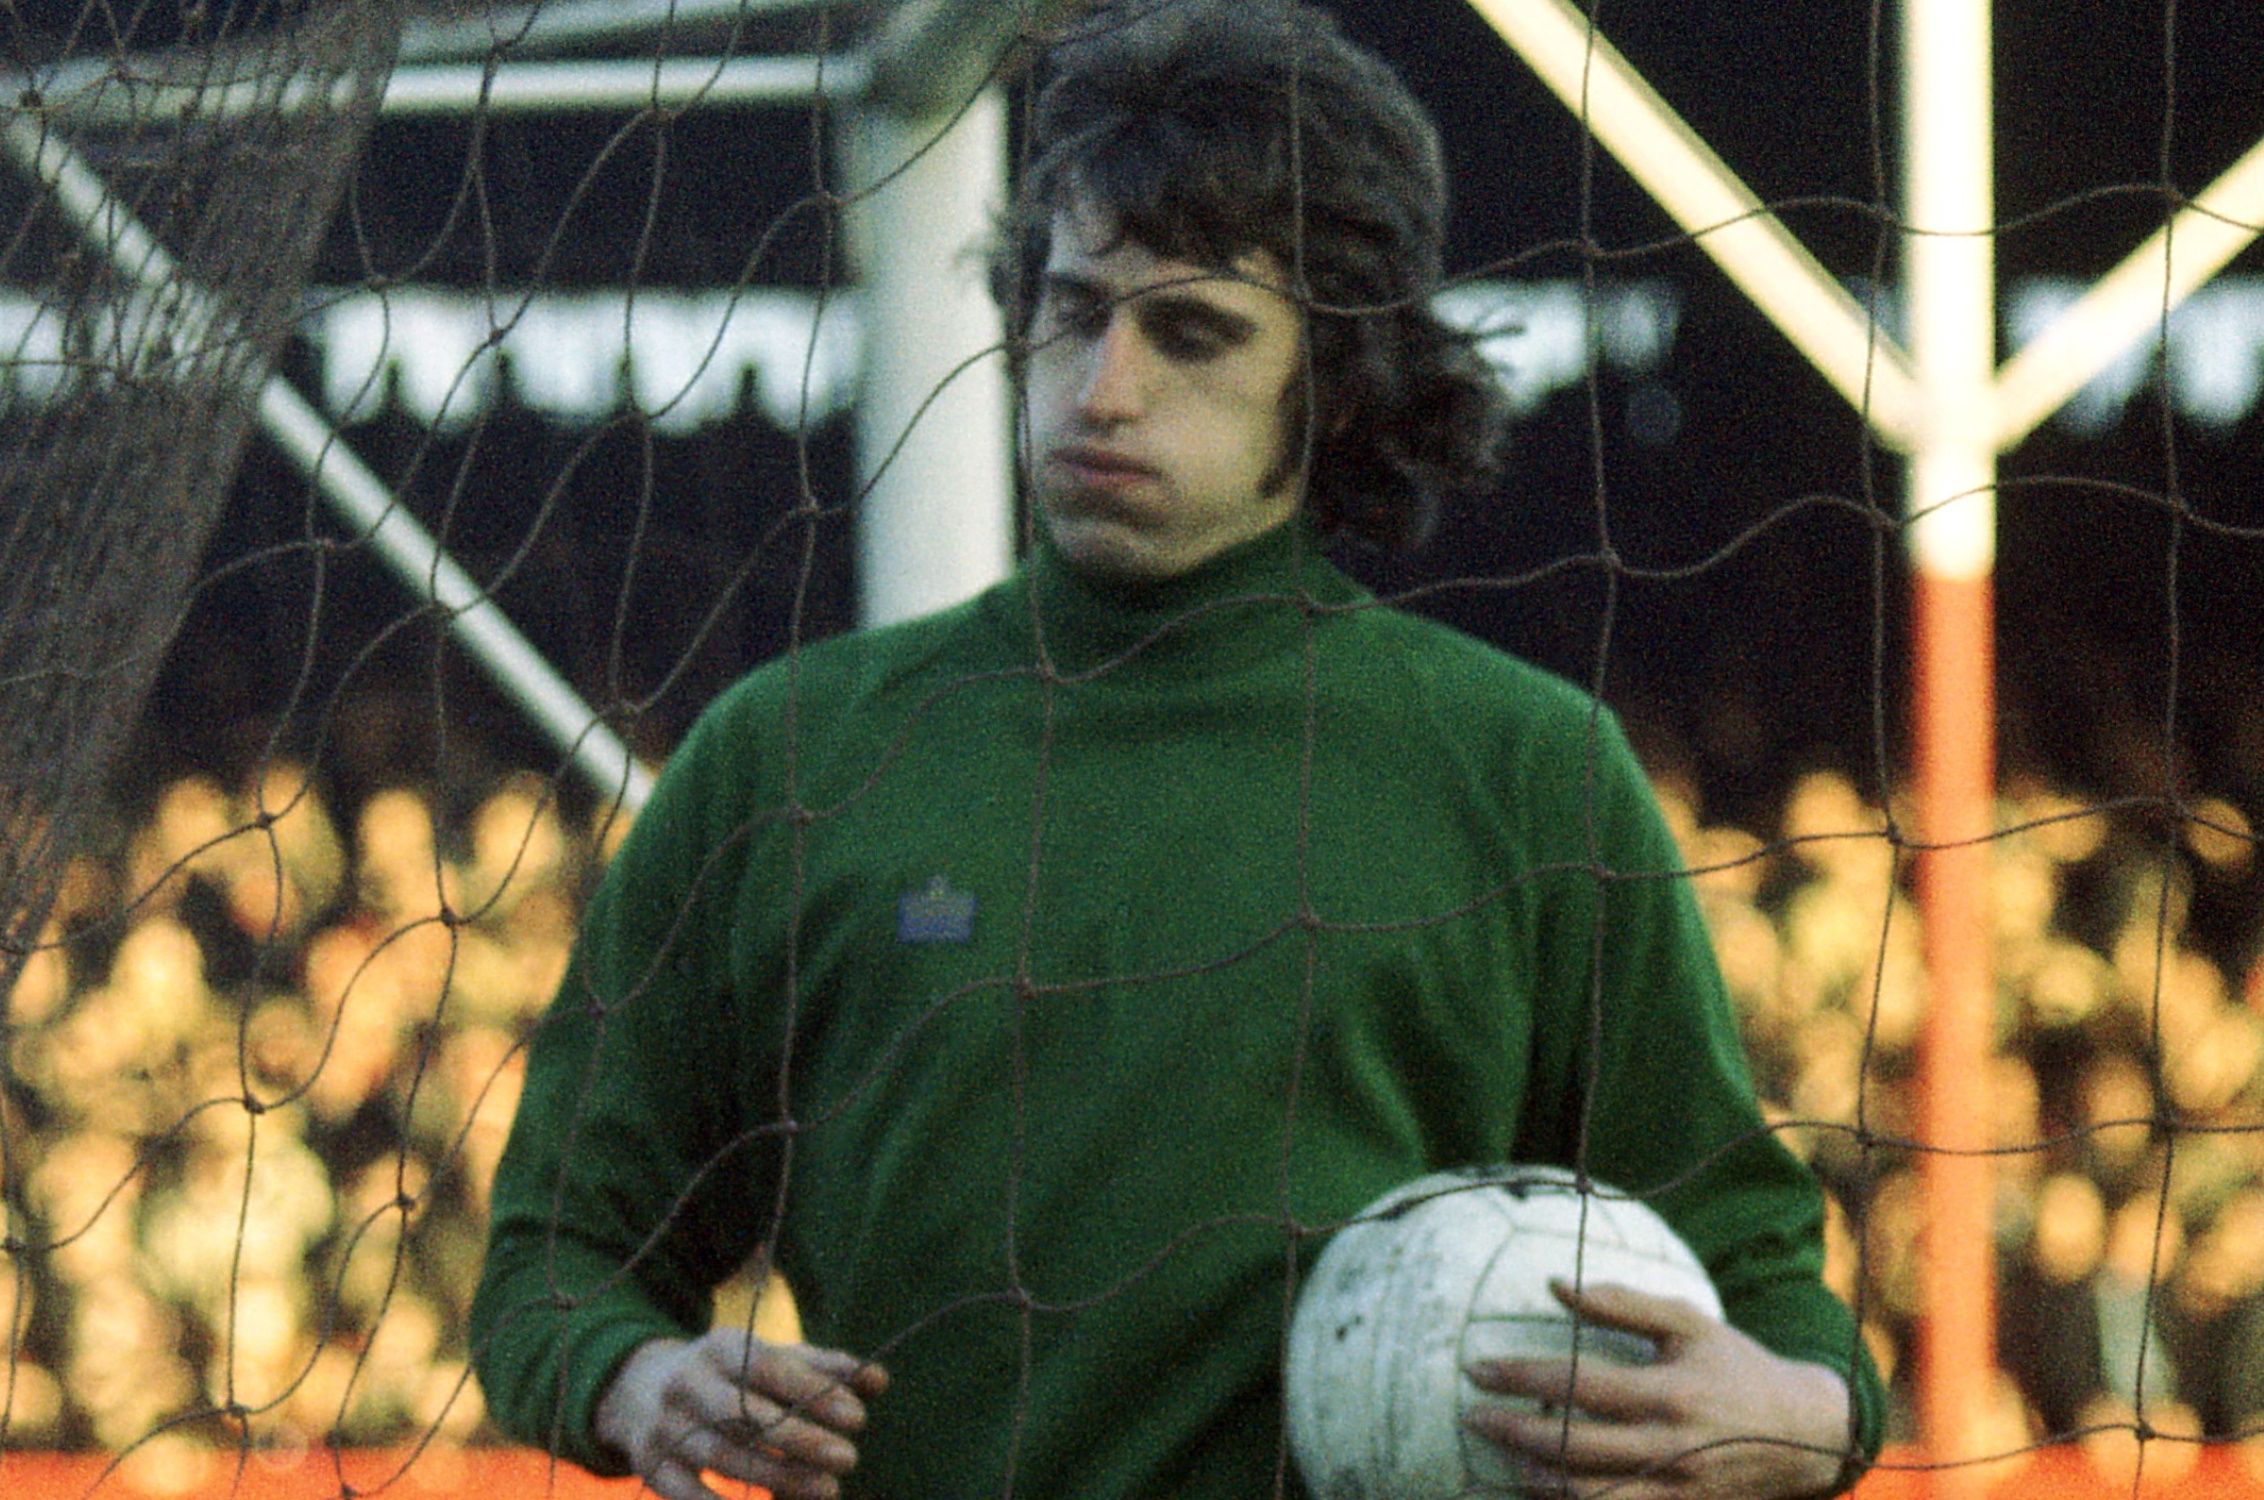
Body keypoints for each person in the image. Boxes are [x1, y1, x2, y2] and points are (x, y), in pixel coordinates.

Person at [470, 2, 1885, 1495]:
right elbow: (555, 1257)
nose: (1106, 387)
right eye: (1074, 310)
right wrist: (638, 1378)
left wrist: (1804, 1415)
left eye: (1192, 332)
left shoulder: (1525, 769)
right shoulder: (790, 756)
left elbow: (1755, 1265)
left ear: (1333, 382)